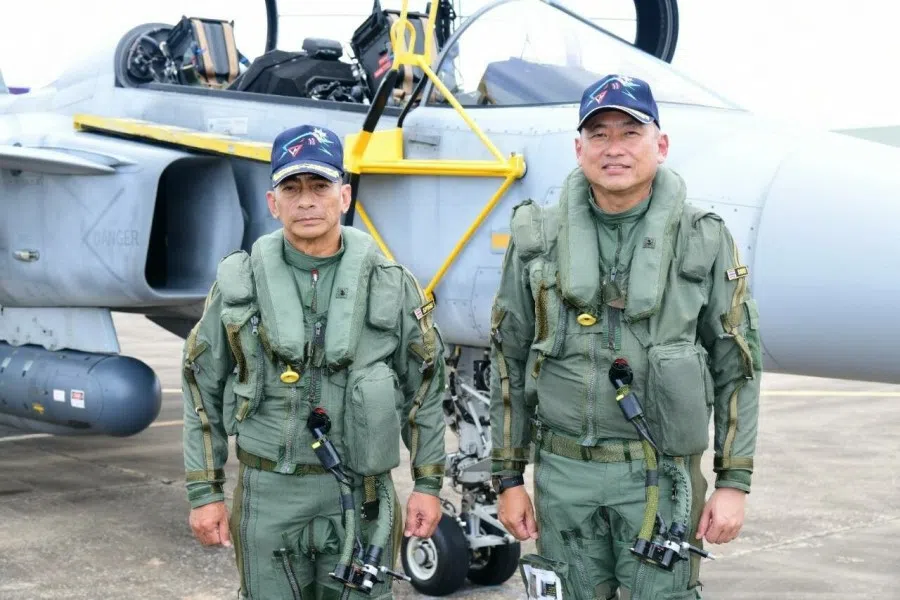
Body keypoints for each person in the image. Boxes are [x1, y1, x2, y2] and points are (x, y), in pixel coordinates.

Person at [489, 75, 762, 599]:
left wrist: (733, 483)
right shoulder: (536, 238)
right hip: (564, 476)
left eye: (629, 132)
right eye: (599, 134)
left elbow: (737, 366)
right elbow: (510, 358)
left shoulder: (703, 238)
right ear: (579, 148)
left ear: (659, 145)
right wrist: (508, 480)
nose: (613, 148)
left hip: (659, 478)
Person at [181, 124, 447, 599]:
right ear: (273, 202)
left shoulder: (391, 284)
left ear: (344, 196)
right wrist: (206, 492)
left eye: (319, 186)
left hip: (364, 498)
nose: (306, 200)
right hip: (269, 493)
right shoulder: (239, 286)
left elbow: (424, 387)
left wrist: (427, 483)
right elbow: (201, 387)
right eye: (292, 188)